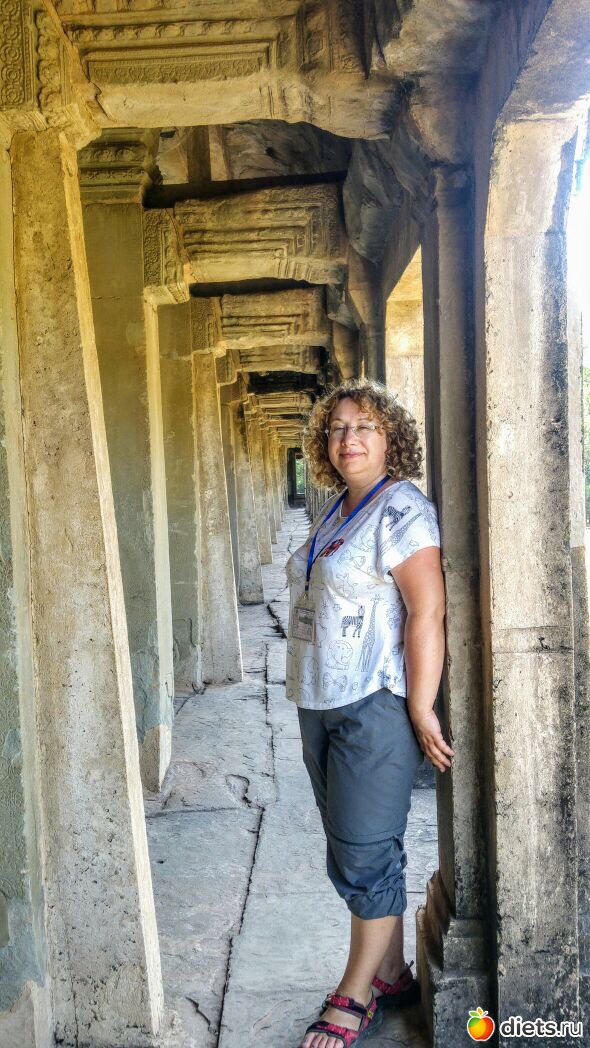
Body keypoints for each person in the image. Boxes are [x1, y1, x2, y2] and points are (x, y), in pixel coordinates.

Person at [285, 379, 453, 1048]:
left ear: (391, 440)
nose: (347, 438)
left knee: (363, 850)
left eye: (364, 427)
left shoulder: (402, 509)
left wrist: (420, 705)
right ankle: (391, 972)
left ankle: (353, 995)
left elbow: (427, 612)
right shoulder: (337, 508)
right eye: (337, 428)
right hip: (319, 697)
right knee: (351, 844)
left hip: (372, 702)